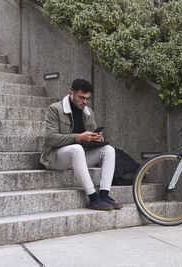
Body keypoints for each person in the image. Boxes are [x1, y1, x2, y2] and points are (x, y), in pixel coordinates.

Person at [40, 79, 122, 211]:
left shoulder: (87, 111)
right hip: (55, 158)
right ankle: (93, 199)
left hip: (79, 157)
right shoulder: (55, 109)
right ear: (71, 94)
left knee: (108, 149)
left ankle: (104, 195)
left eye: (87, 99)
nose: (84, 102)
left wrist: (97, 138)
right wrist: (78, 137)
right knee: (77, 148)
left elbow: (95, 136)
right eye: (81, 98)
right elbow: (50, 138)